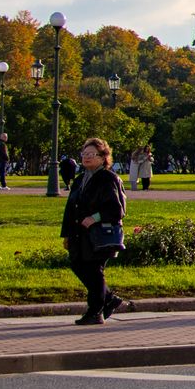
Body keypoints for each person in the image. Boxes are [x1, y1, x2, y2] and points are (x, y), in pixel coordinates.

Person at [60, 137, 129, 326]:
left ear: (103, 157)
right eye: (84, 154)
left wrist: (95, 218)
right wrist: (66, 234)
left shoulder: (108, 178)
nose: (87, 158)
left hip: (99, 234)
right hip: (78, 233)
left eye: (92, 154)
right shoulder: (81, 179)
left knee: (94, 271)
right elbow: (70, 208)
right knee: (77, 264)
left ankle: (95, 311)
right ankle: (109, 299)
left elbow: (117, 209)